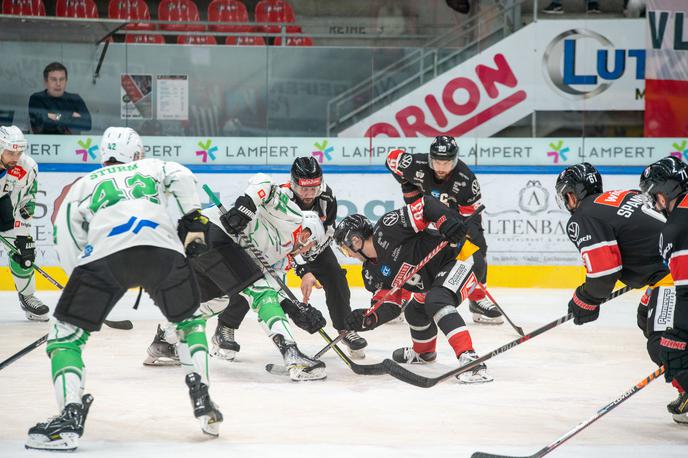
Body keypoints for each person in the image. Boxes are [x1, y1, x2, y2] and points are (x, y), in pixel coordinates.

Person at [26, 127, 222, 451]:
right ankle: (203, 399)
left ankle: (69, 418)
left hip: (107, 257)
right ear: (138, 154)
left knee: (65, 337)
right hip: (165, 253)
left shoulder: (85, 183)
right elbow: (182, 174)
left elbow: (66, 230)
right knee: (189, 323)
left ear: (102, 155)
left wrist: (80, 284)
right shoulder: (152, 167)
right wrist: (192, 217)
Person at [146, 173, 329, 381]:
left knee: (217, 301)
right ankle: (293, 355)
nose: (306, 251)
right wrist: (245, 207)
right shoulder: (294, 216)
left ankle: (164, 340)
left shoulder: (281, 255)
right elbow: (264, 182)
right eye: (311, 245)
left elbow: (272, 290)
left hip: (196, 241)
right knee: (257, 289)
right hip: (208, 230)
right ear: (308, 234)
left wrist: (293, 309)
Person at [555, 161, 681, 423]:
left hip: (676, 275)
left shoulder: (583, 216)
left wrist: (585, 299)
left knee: (665, 342)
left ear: (570, 194)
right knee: (647, 313)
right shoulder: (626, 195)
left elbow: (603, 274)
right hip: (673, 268)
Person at [211, 157, 368, 360]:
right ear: (293, 184)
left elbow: (329, 228)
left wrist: (312, 250)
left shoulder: (327, 196)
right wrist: (304, 270)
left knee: (336, 277)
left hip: (314, 246)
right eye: (304, 188)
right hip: (281, 247)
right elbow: (277, 239)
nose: (310, 194)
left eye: (314, 187)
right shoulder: (282, 198)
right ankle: (225, 327)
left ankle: (345, 329)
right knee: (254, 280)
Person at [335, 195, 493, 384]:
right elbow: (391, 305)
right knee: (414, 312)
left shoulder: (388, 227)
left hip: (462, 257)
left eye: (346, 249)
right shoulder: (371, 272)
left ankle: (471, 361)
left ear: (356, 240)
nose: (349, 255)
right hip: (435, 278)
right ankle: (424, 352)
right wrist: (369, 319)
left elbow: (426, 204)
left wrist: (445, 223)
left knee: (436, 300)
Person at [386, 135, 503, 325]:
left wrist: (461, 233)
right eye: (437, 161)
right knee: (409, 250)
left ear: (454, 160)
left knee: (477, 248)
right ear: (431, 159)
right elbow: (391, 158)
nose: (441, 167)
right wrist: (409, 189)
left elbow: (471, 218)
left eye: (447, 162)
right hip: (421, 211)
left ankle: (477, 299)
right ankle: (399, 300)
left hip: (453, 218)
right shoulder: (415, 163)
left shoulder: (465, 180)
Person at [639, 157, 688, 424]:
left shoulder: (678, 226)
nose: (654, 204)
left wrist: (679, 336)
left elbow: (687, 291)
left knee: (673, 350)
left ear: (664, 192)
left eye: (654, 196)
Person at [0, 125, 48, 321]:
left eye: (19, 152)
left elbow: (25, 201)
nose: (15, 157)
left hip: (3, 202)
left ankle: (27, 297)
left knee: (25, 251)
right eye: (11, 152)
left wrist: (23, 235)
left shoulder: (26, 167)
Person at [28, 62, 92, 135]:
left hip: (71, 144)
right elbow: (41, 123)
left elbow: (87, 124)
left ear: (66, 81)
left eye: (61, 79)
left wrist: (51, 116)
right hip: (45, 144)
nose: (58, 84)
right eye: (53, 79)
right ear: (45, 82)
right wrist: (71, 115)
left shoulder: (75, 99)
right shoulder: (37, 98)